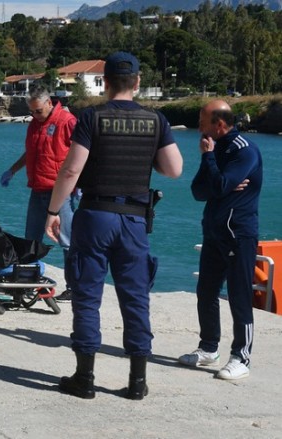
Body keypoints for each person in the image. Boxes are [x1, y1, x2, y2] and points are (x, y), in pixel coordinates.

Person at [44, 52, 183, 400]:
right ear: (137, 82)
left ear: (105, 83)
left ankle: (85, 378)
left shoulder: (92, 117)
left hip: (95, 216)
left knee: (88, 296)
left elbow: (72, 171)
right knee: (135, 298)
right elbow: (174, 169)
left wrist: (53, 210)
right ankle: (137, 381)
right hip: (134, 220)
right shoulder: (156, 120)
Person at [178, 99, 263, 380]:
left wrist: (212, 167)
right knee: (206, 291)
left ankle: (242, 356)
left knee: (239, 296)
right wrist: (219, 183)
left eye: (203, 121)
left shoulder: (244, 151)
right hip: (214, 231)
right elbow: (197, 191)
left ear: (220, 124)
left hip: (238, 234)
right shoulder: (214, 147)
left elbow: (218, 185)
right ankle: (208, 348)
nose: (199, 126)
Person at [0, 86, 78, 302]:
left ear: (49, 104)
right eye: (32, 112)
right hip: (38, 188)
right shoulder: (35, 124)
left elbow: (82, 154)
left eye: (38, 111)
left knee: (66, 239)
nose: (35, 115)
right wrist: (13, 170)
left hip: (61, 191)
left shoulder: (67, 122)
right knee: (31, 238)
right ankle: (26, 281)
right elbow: (31, 152)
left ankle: (74, 286)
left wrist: (79, 184)